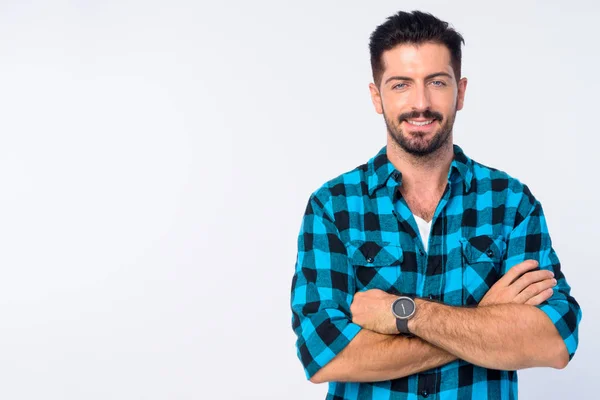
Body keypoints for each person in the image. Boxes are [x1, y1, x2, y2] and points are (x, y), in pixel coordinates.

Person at [289, 10, 582, 400]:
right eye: (401, 85)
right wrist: (484, 323)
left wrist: (403, 313)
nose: (421, 103)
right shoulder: (333, 206)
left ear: (460, 91)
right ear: (377, 97)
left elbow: (554, 341)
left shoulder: (510, 202)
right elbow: (324, 356)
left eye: (436, 82)